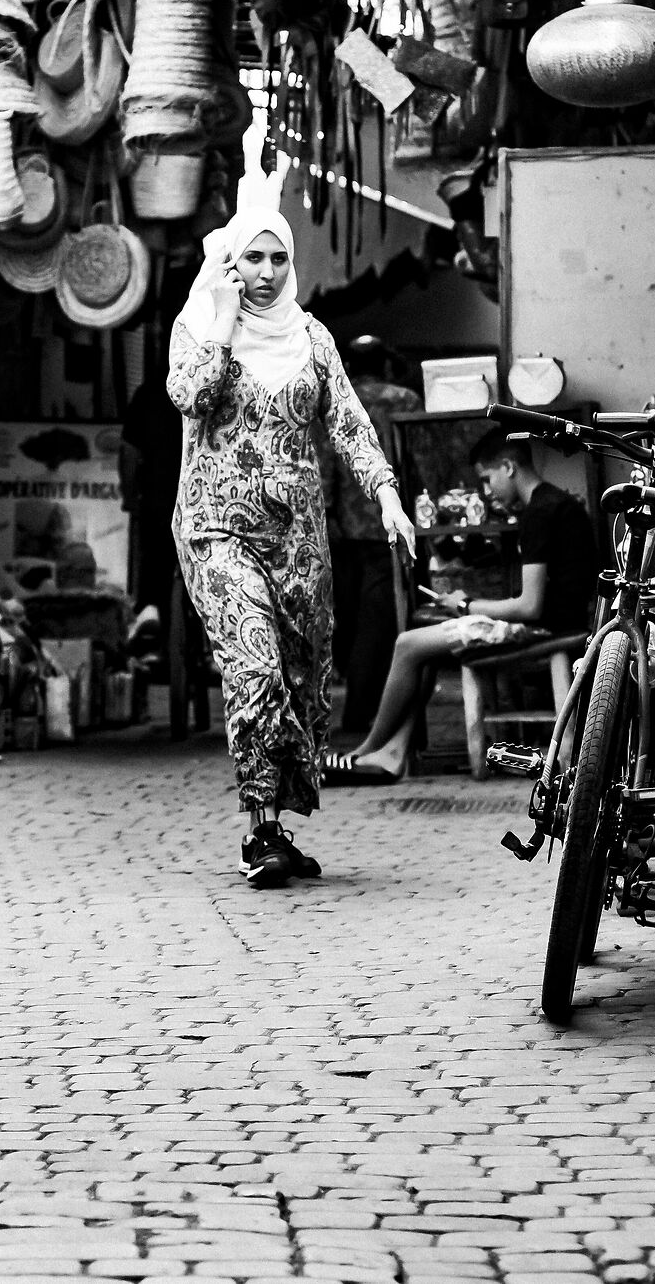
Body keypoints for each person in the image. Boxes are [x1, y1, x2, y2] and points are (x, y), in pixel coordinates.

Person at [169, 209, 416, 888]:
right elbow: (190, 395)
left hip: (300, 540)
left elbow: (351, 424)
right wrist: (221, 319)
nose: (267, 273)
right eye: (254, 259)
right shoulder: (196, 326)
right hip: (218, 528)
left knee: (300, 679)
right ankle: (259, 832)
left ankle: (276, 820)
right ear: (230, 263)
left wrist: (387, 495)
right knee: (255, 666)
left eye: (278, 259)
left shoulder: (312, 337)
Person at [329, 426, 599, 783]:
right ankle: (392, 754)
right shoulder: (558, 503)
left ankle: (362, 750)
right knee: (424, 655)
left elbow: (529, 607)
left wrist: (468, 605)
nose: (487, 493)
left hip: (545, 628)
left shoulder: (540, 512)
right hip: (564, 620)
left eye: (487, 480)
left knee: (407, 644)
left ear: (509, 467)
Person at [325, 335, 423, 733]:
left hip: (345, 528)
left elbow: (324, 463)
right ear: (385, 363)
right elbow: (419, 460)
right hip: (392, 523)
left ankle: (360, 708)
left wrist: (330, 514)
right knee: (381, 623)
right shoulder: (403, 400)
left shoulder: (335, 398)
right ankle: (365, 713)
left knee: (351, 618)